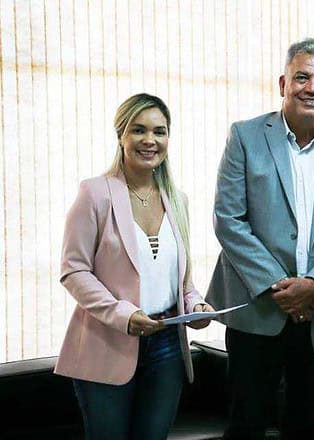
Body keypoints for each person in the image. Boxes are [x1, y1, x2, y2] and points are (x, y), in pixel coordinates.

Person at [205, 38, 314, 440]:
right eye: (302, 77)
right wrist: (281, 288)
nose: (312, 88)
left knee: (310, 427)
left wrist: (313, 285)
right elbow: (229, 220)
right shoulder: (245, 137)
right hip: (257, 310)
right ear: (283, 83)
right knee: (247, 426)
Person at [55, 93, 215, 439]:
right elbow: (74, 270)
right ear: (121, 136)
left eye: (159, 131)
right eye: (138, 130)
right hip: (106, 342)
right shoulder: (94, 194)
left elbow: (181, 281)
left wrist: (196, 306)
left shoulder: (178, 200)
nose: (149, 140)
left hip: (167, 346)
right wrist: (123, 315)